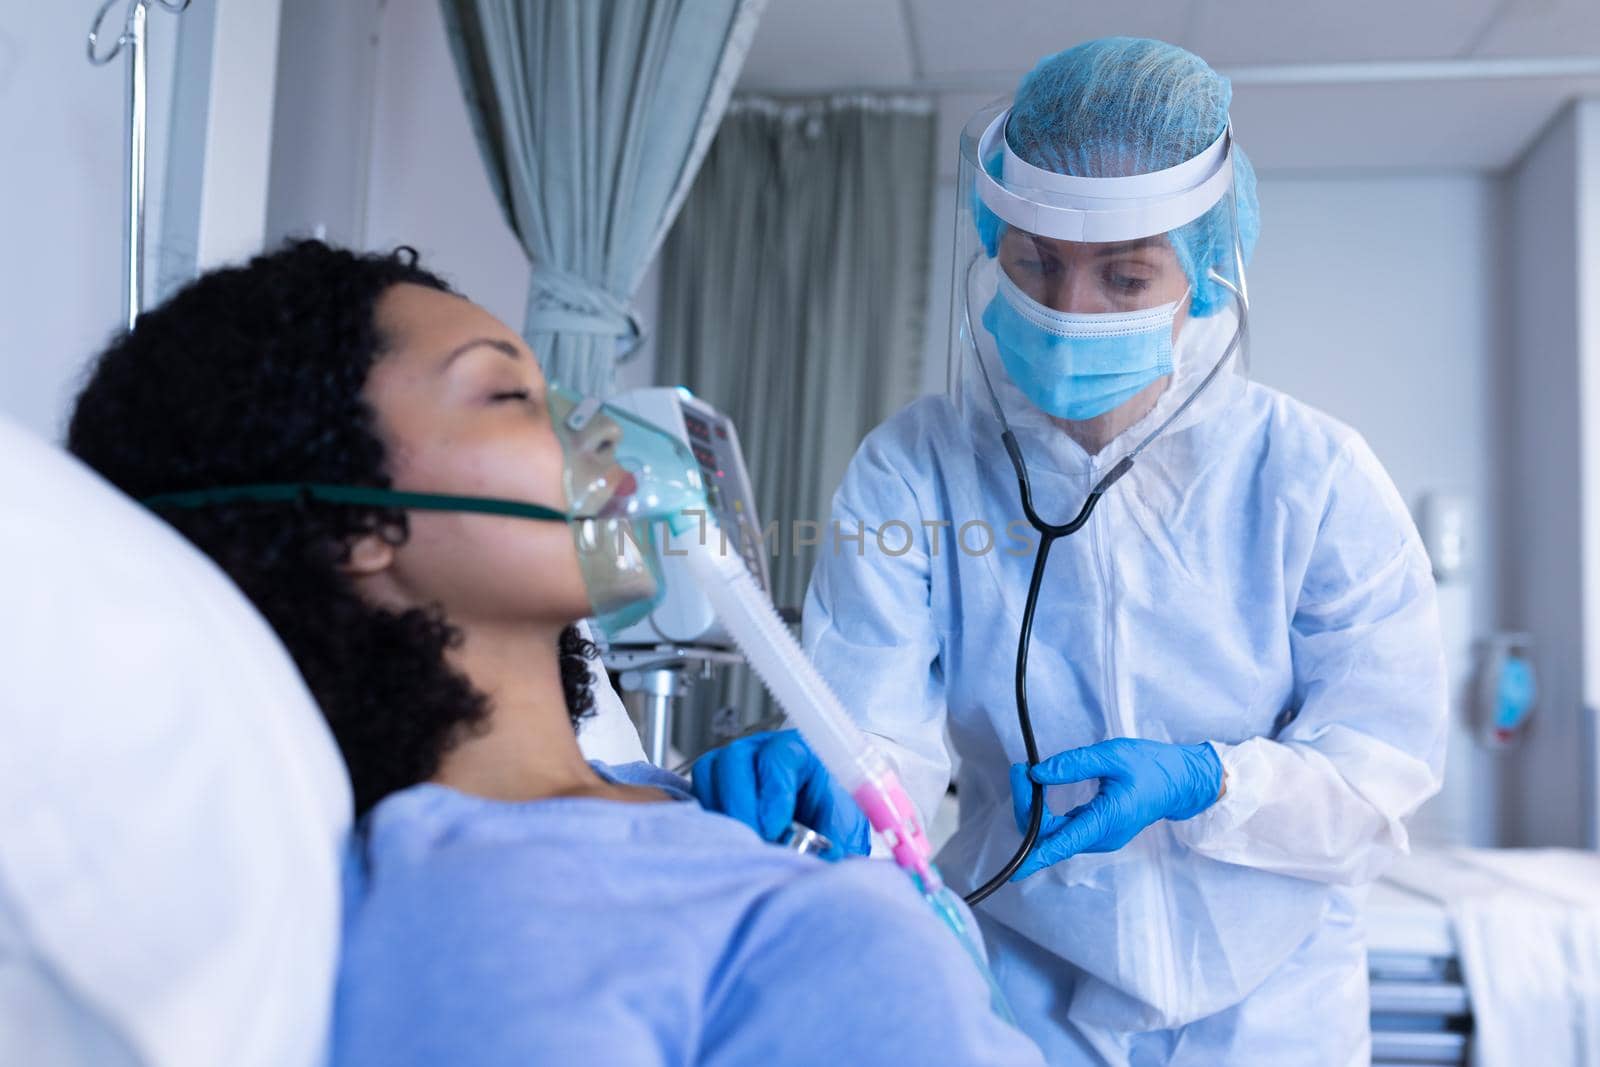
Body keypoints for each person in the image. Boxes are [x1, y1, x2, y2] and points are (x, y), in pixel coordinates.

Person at [66, 240, 1042, 1067]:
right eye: (508, 393)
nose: (599, 430)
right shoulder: (488, 908)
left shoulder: (659, 808)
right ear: (356, 518)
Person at [794, 37, 1449, 1065]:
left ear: (1205, 275)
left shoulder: (1311, 475)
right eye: (1037, 264)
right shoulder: (913, 467)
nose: (1070, 307)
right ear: (991, 244)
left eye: (1125, 273)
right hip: (1012, 983)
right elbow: (878, 747)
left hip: (1270, 1003)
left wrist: (1212, 781)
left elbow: (1378, 770)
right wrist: (828, 783)